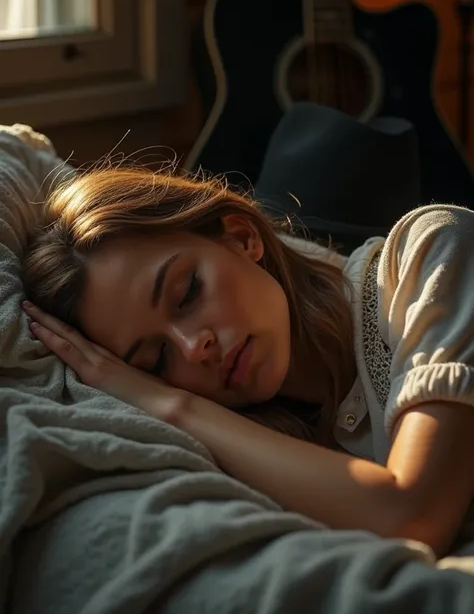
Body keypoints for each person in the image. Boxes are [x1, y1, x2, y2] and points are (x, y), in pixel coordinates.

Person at [21, 163, 474, 558]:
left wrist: (173, 406)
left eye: (187, 292)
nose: (192, 346)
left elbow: (414, 517)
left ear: (242, 237)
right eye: (156, 360)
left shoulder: (430, 253)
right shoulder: (249, 448)